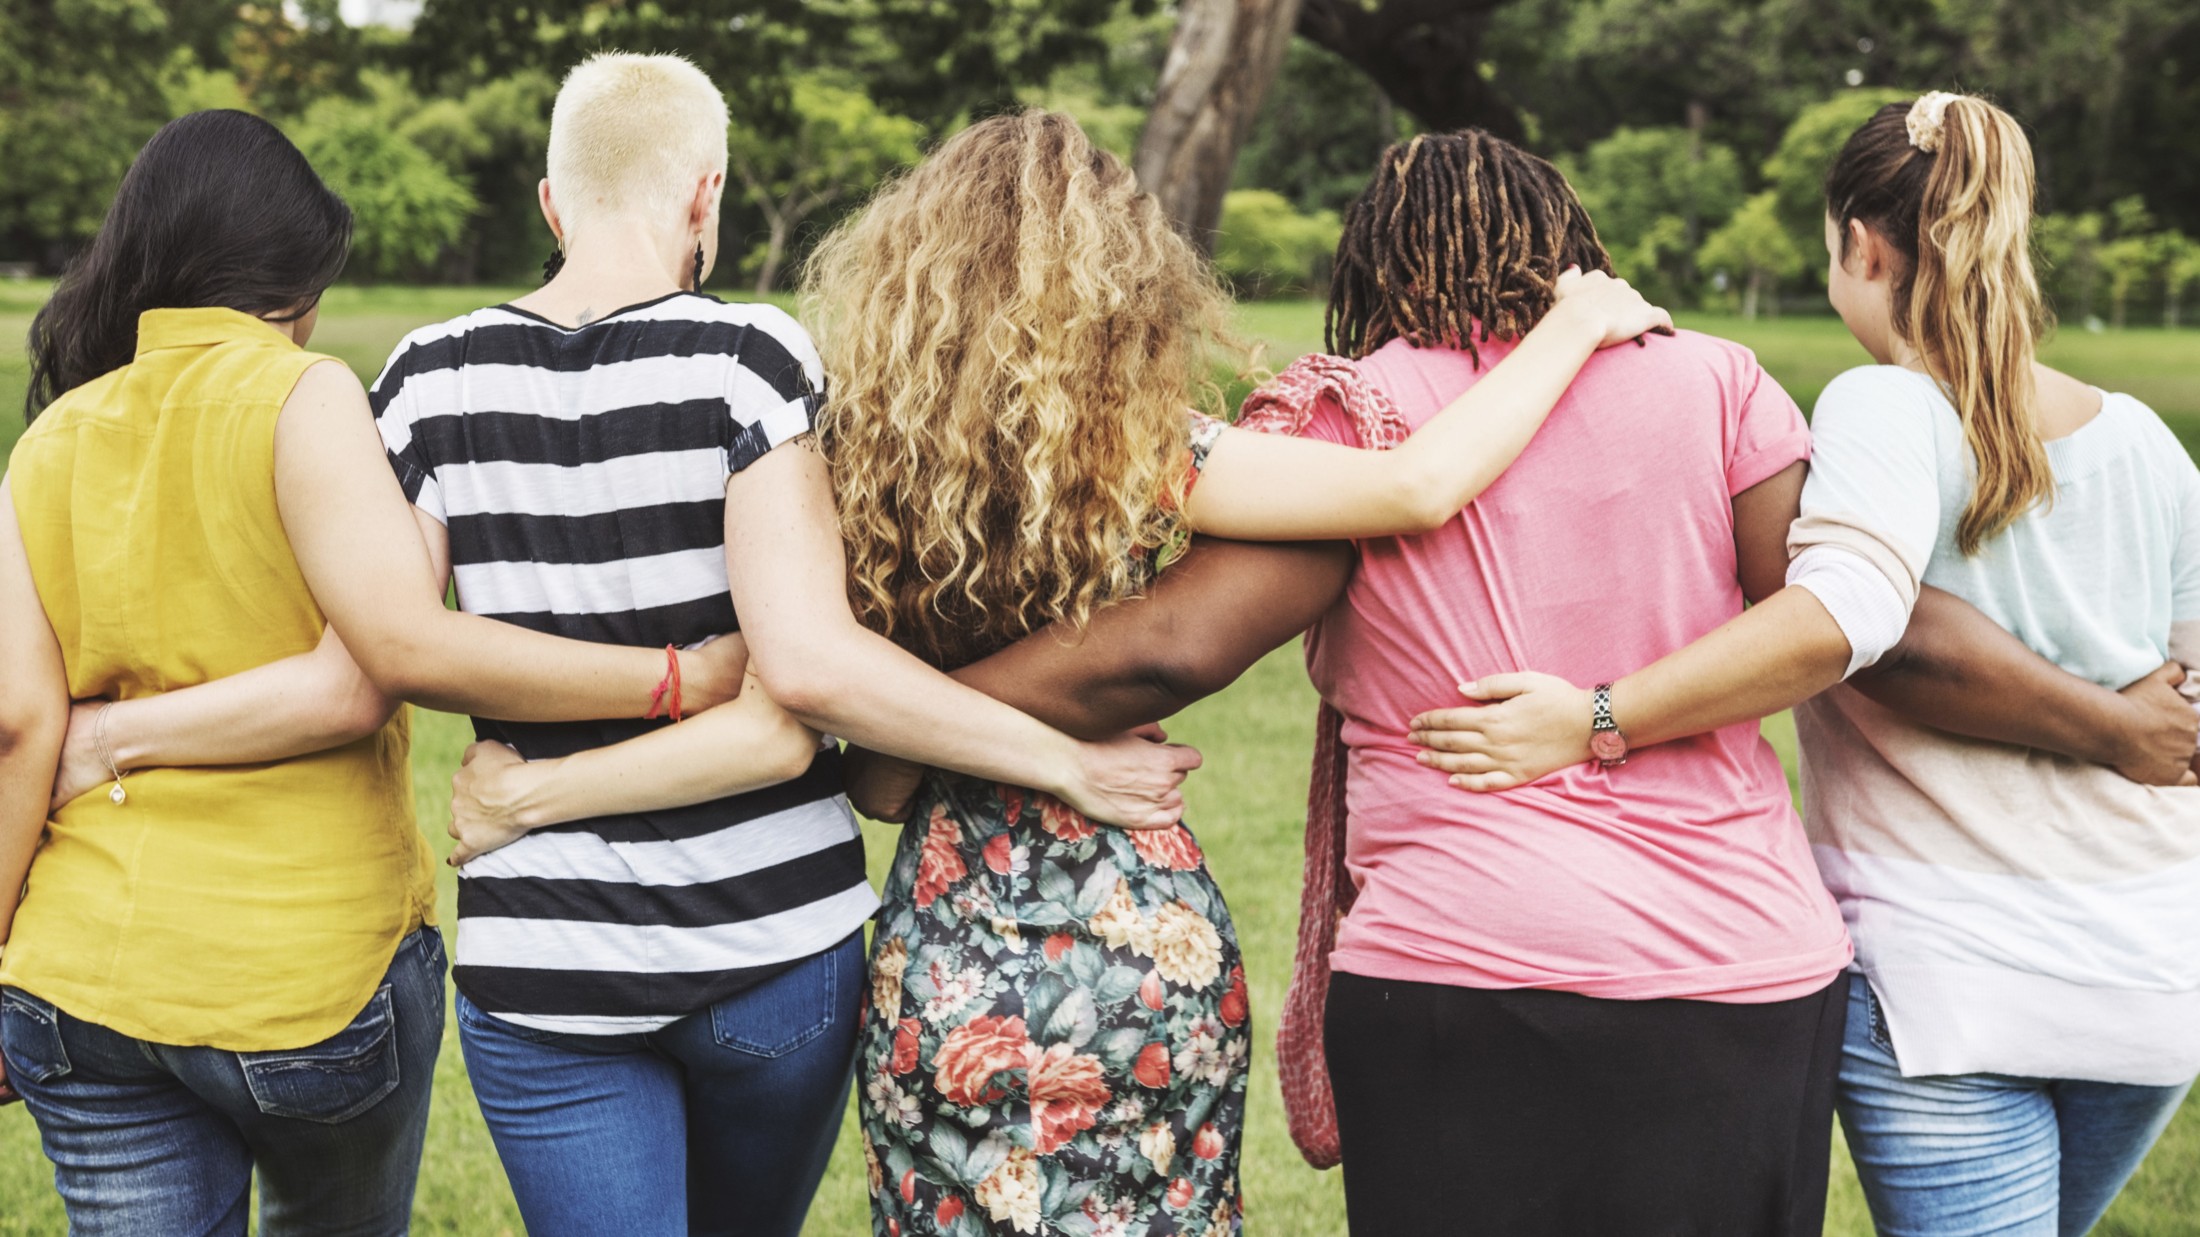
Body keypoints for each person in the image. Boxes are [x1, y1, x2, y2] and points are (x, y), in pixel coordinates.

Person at [26, 63, 1199, 1237]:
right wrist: (1061, 758)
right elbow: (803, 671)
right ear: (708, 194)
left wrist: (522, 793)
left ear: (550, 203)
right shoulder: (752, 358)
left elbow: (381, 647)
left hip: (544, 967)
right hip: (771, 945)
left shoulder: (426, 380)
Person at [1417, 94, 2200, 1236]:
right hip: (2148, 975)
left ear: (1861, 245)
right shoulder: (2142, 440)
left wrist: (1600, 713)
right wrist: (2119, 727)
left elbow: (1843, 612)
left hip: (1948, 982)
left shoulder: (1882, 405)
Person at [0, 108, 760, 1237]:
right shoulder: (302, 397)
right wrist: (674, 679)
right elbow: (377, 663)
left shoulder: (51, 437)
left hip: (80, 980)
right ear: (292, 283)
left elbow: (20, 728)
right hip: (305, 977)